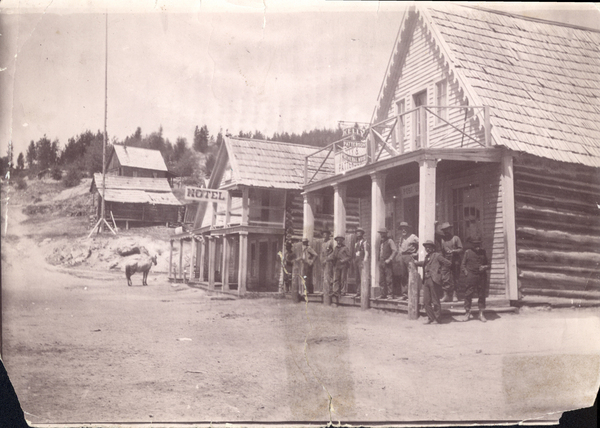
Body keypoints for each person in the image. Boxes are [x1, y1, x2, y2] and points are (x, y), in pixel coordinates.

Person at [417, 240, 452, 324]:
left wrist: (440, 272)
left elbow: (448, 263)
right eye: (426, 248)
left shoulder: (437, 256)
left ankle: (438, 318)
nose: (427, 249)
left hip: (434, 280)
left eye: (429, 247)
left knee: (435, 300)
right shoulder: (427, 257)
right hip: (426, 280)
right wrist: (415, 263)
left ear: (433, 248)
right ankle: (430, 318)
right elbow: (424, 263)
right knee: (426, 301)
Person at [461, 238, 489, 322]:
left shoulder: (483, 252)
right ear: (472, 245)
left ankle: (481, 314)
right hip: (471, 276)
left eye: (478, 245)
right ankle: (467, 313)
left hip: (481, 276)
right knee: (468, 294)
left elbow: (488, 264)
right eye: (475, 245)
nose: (477, 246)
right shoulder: (467, 252)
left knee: (481, 294)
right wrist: (466, 273)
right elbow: (463, 265)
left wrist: (485, 267)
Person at [392, 222, 419, 300]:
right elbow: (399, 248)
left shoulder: (413, 237)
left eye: (405, 228)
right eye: (402, 229)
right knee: (403, 275)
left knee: (411, 274)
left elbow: (421, 243)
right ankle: (405, 294)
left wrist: (416, 253)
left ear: (408, 229)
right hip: (402, 257)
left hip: (409, 256)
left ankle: (412, 293)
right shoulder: (401, 238)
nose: (403, 230)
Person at [439, 222, 463, 302]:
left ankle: (455, 295)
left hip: (455, 260)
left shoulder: (455, 238)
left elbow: (461, 249)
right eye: (444, 230)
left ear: (450, 229)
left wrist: (453, 251)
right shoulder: (442, 240)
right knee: (445, 277)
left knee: (455, 277)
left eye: (447, 229)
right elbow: (441, 251)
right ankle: (446, 295)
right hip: (446, 260)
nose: (446, 231)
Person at [329, 235, 352, 303]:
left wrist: (344, 260)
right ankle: (335, 291)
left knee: (343, 278)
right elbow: (333, 255)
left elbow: (349, 256)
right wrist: (329, 258)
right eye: (337, 240)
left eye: (340, 240)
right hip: (337, 265)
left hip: (343, 265)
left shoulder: (345, 248)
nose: (339, 242)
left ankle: (343, 291)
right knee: (336, 278)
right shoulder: (335, 248)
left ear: (342, 241)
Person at [378, 228, 397, 299]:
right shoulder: (381, 242)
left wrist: (390, 259)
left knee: (389, 279)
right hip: (381, 262)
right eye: (381, 233)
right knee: (381, 279)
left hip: (387, 262)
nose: (382, 235)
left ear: (386, 234)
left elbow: (395, 251)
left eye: (383, 233)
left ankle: (390, 294)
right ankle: (383, 294)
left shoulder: (390, 241)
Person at [353, 227, 370, 297]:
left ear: (362, 234)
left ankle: (364, 292)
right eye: (357, 232)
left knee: (362, 276)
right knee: (357, 277)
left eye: (359, 232)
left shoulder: (365, 242)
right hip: (356, 261)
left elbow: (366, 252)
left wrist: (364, 261)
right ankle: (358, 291)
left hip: (361, 261)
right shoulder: (356, 243)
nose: (358, 234)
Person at [320, 230, 335, 295]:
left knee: (329, 275)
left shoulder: (330, 242)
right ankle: (325, 290)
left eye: (326, 235)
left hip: (329, 261)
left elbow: (334, 252)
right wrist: (322, 260)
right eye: (323, 235)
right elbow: (322, 253)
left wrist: (328, 259)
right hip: (324, 261)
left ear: (328, 235)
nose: (324, 236)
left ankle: (330, 290)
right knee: (324, 276)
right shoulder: (323, 244)